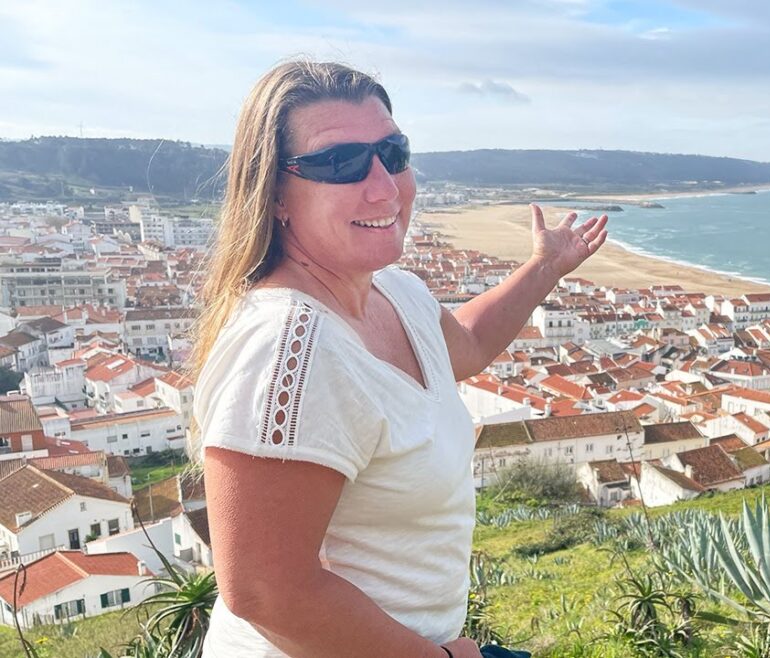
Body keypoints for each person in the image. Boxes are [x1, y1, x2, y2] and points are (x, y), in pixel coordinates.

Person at [190, 60, 608, 658]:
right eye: (341, 163)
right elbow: (264, 590)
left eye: (393, 152)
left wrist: (544, 268)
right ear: (275, 193)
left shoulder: (394, 289)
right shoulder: (288, 348)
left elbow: (464, 346)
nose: (385, 185)